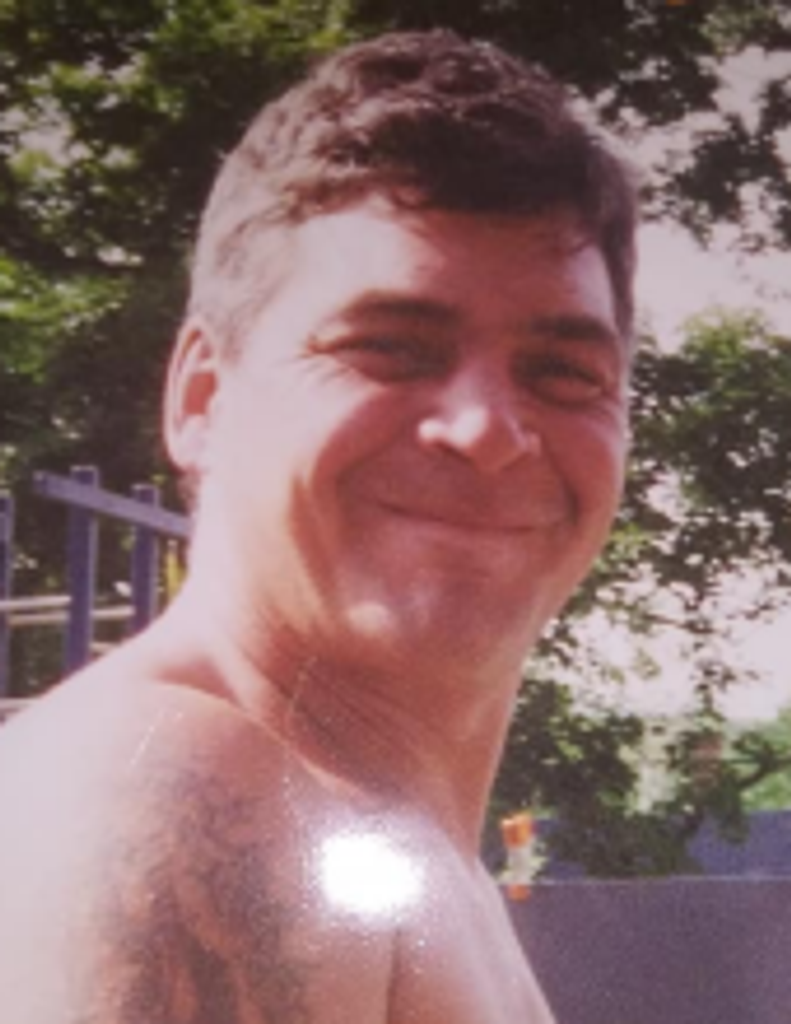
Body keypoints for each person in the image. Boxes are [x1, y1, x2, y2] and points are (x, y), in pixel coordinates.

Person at [0, 29, 637, 1022]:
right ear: (202, 397)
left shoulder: (391, 850)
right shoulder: (180, 793)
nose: (486, 431)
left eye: (562, 373)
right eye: (390, 348)